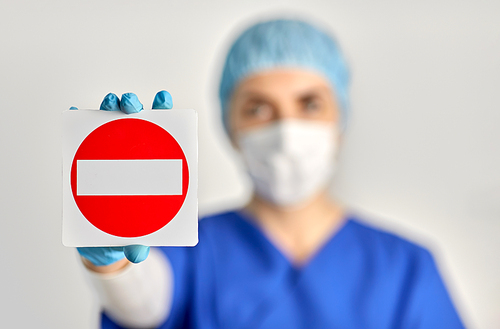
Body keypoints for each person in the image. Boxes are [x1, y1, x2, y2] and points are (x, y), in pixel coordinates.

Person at [76, 19, 465, 328]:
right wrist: (111, 255)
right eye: (258, 109)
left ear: (340, 120)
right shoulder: (191, 250)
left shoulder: (405, 267)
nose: (287, 130)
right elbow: (143, 304)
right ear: (230, 128)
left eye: (310, 104)